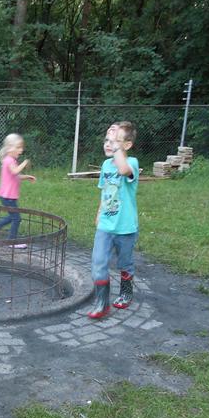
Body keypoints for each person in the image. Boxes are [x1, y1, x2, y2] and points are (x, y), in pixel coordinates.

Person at [88, 121, 140, 319]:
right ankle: (102, 303)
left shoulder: (132, 163)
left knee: (124, 263)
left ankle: (126, 292)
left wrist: (117, 148)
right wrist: (99, 213)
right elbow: (105, 192)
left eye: (116, 140)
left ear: (127, 145)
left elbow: (123, 170)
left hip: (125, 228)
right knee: (98, 262)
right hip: (106, 226)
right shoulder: (105, 165)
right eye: (107, 140)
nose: (109, 144)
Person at [0, 133, 36, 248]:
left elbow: (15, 176)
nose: (21, 150)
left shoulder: (12, 161)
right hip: (7, 196)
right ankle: (11, 241)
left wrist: (27, 177)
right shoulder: (8, 160)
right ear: (9, 148)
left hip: (9, 196)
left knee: (13, 216)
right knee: (16, 218)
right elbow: (15, 171)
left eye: (21, 147)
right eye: (18, 147)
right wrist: (24, 163)